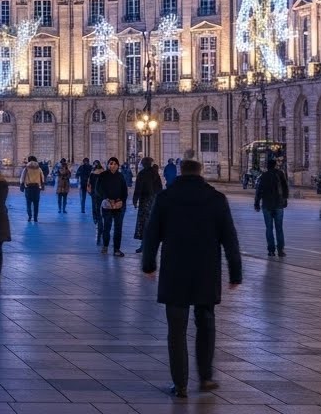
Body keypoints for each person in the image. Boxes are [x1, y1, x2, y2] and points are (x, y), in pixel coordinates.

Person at [140, 159, 242, 398]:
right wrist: (235, 272)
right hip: (206, 271)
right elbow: (230, 238)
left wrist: (148, 265)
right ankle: (205, 377)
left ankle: (181, 384)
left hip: (175, 271)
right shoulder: (216, 199)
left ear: (179, 173)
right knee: (206, 323)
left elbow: (152, 234)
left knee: (176, 330)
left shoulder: (165, 198)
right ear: (201, 173)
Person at [253, 155, 289, 257]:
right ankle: (280, 250)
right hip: (278, 205)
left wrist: (256, 203)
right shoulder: (280, 174)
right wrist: (285, 199)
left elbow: (259, 191)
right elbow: (285, 187)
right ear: (275, 166)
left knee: (269, 228)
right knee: (279, 228)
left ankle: (271, 250)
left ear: (268, 166)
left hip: (267, 205)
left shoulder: (263, 176)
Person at [97, 157, 129, 257]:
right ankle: (105, 246)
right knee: (107, 226)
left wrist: (121, 200)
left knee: (118, 228)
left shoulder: (121, 176)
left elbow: (125, 191)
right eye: (111, 163)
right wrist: (106, 198)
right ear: (108, 165)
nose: (113, 165)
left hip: (119, 206)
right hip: (107, 206)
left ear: (118, 165)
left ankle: (116, 249)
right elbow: (98, 189)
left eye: (115, 164)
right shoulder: (103, 175)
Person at [133, 156, 164, 255]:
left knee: (144, 223)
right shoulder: (155, 173)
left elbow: (138, 188)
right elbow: (160, 188)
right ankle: (148, 245)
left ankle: (144, 245)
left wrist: (135, 200)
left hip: (145, 201)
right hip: (153, 200)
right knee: (151, 223)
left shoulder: (142, 174)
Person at [20, 157, 44, 223]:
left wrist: (22, 184)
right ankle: (35, 218)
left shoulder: (26, 169)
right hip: (36, 188)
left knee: (28, 203)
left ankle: (30, 216)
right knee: (36, 203)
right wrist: (42, 185)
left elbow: (22, 178)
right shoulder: (39, 169)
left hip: (28, 188)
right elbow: (42, 177)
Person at [88, 160, 105, 243]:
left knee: (95, 208)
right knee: (103, 210)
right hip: (103, 194)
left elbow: (89, 184)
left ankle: (97, 219)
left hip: (94, 194)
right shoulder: (104, 173)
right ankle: (101, 222)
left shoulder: (92, 173)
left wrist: (90, 192)